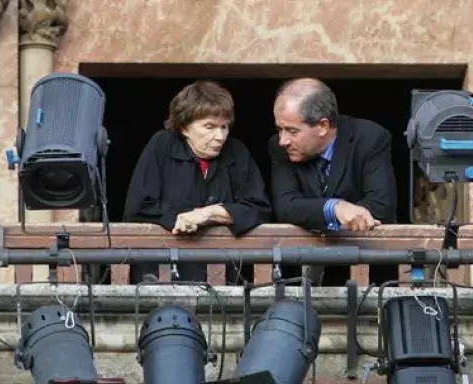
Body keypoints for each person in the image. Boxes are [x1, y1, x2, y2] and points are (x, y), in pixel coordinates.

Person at [123, 80, 271, 284]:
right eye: (209, 127)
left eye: (224, 127)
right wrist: (181, 219)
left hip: (222, 279)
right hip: (162, 276)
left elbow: (259, 208)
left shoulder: (237, 152)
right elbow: (138, 207)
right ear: (184, 127)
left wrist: (208, 214)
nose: (220, 136)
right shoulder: (162, 146)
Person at [268, 78, 398, 286]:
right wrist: (335, 208)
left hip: (365, 279)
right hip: (300, 281)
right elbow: (285, 206)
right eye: (280, 129)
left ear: (322, 126)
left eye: (292, 131)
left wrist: (316, 217)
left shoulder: (370, 138)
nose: (283, 140)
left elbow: (381, 207)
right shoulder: (279, 148)